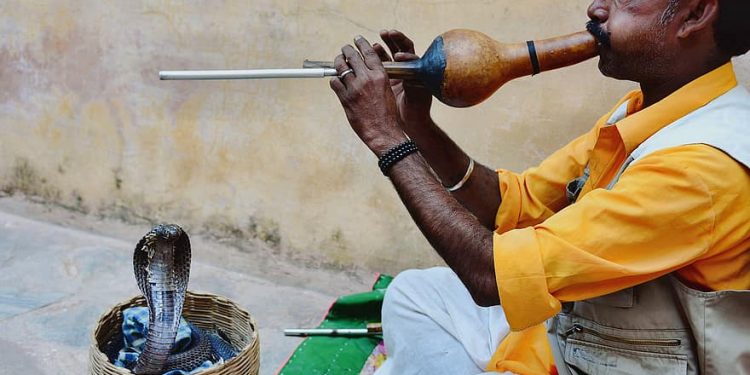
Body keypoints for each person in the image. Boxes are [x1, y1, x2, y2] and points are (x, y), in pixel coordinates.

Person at [329, 0, 750, 374]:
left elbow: (489, 276)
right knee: (413, 293)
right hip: (573, 335)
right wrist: (416, 125)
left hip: (617, 361)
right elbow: (517, 202)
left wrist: (388, 140)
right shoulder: (646, 111)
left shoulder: (699, 169)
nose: (597, 9)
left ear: (694, 14)